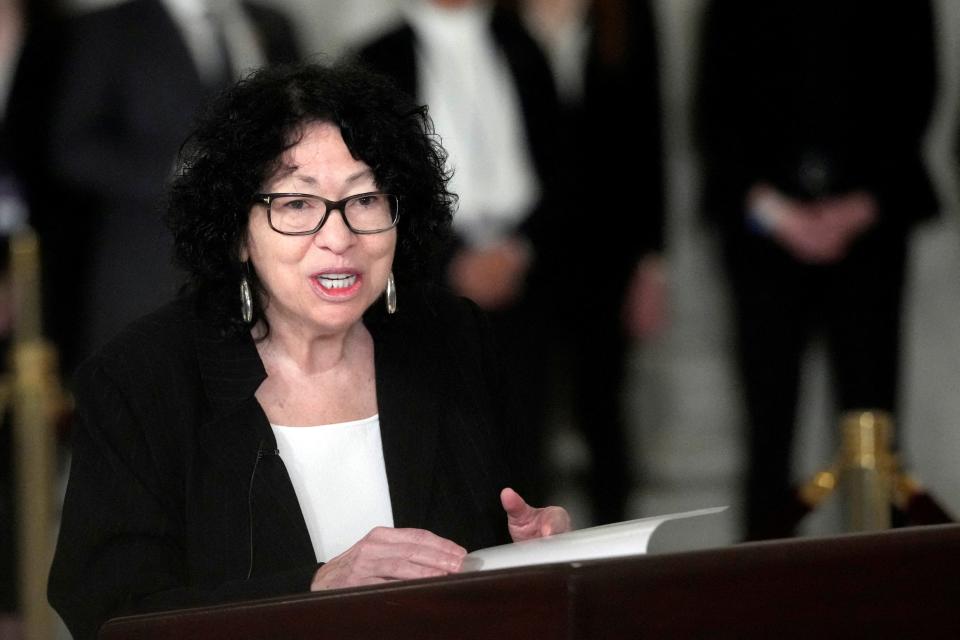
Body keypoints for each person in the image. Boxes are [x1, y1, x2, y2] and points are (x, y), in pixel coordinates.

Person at [47, 61, 572, 640]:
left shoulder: (455, 340)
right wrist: (316, 589)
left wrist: (529, 554)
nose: (340, 237)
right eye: (297, 204)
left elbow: (493, 544)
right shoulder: (140, 380)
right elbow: (110, 615)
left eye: (365, 199)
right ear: (238, 232)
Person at [694, 0, 938, 539]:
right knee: (768, 434)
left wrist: (859, 207)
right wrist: (780, 215)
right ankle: (767, 599)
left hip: (871, 234)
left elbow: (917, 94)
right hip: (763, 239)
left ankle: (893, 594)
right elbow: (715, 110)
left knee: (875, 431)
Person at [6, 0, 302, 378]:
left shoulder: (270, 24)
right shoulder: (110, 28)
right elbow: (71, 147)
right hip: (148, 270)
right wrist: (176, 169)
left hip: (257, 272)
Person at [351, 0, 566, 506]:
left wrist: (520, 250)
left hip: (526, 272)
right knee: (443, 453)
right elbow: (373, 186)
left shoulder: (523, 44)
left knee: (527, 447)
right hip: (425, 281)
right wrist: (451, 261)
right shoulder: (378, 57)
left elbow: (561, 162)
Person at [519, 0, 666, 524]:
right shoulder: (499, 19)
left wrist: (653, 261)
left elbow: (649, 140)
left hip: (608, 252)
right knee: (522, 413)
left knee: (603, 406)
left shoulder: (626, 15)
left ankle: (616, 550)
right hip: (526, 251)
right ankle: (522, 564)